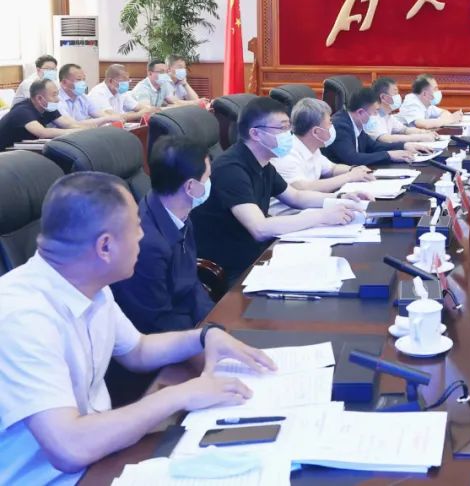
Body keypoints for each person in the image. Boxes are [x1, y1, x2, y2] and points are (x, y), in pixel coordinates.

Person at [0, 172, 276, 484]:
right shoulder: (22, 317)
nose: (143, 236)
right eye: (136, 226)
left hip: (103, 453)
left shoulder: (89, 284)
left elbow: (138, 350)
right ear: (105, 247)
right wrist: (179, 395)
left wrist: (204, 336)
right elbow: (69, 447)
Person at [190, 97, 369, 283]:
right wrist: (323, 216)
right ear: (256, 134)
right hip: (231, 267)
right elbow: (259, 228)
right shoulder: (231, 169)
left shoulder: (263, 162)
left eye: (288, 127)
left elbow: (296, 197)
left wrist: (341, 199)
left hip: (258, 252)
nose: (288, 134)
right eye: (282, 128)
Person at [111, 137, 215, 332]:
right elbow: (155, 322)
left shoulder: (179, 213)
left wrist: (213, 322)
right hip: (166, 339)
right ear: (190, 187)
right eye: (207, 177)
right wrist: (203, 336)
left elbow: (190, 281)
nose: (211, 182)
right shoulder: (145, 244)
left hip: (190, 324)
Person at [269, 98, 376, 215]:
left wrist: (354, 169)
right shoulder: (286, 154)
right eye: (330, 123)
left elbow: (332, 168)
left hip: (310, 209)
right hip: (289, 216)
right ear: (316, 132)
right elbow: (303, 188)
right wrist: (350, 177)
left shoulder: (312, 147)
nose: (332, 127)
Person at [324, 87, 421, 167]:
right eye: (375, 111)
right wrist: (389, 155)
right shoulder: (340, 126)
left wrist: (404, 146)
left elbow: (373, 146)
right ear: (360, 112)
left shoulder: (355, 122)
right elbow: (353, 158)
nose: (377, 115)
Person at [0, 80, 86, 151]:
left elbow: (67, 124)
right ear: (39, 98)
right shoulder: (22, 111)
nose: (58, 99)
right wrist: (77, 132)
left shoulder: (46, 107)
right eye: (54, 95)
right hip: (5, 154)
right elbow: (43, 133)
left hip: (21, 151)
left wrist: (87, 130)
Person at [365, 77, 438, 145]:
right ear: (383, 97)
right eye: (395, 93)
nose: (398, 96)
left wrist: (424, 132)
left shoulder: (387, 115)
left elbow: (404, 129)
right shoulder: (372, 116)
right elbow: (386, 139)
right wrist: (418, 138)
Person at [53, 64, 116, 128]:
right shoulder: (55, 99)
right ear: (64, 82)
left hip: (82, 132)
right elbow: (72, 124)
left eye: (84, 79)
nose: (83, 83)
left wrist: (112, 118)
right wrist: (106, 119)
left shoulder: (83, 97)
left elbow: (99, 114)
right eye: (79, 79)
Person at [88, 64, 154, 122]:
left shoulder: (120, 92)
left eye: (128, 80)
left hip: (119, 127)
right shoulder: (98, 93)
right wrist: (138, 115)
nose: (126, 83)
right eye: (123, 80)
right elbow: (114, 117)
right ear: (110, 81)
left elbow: (143, 108)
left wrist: (129, 115)